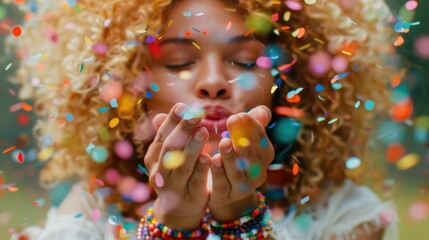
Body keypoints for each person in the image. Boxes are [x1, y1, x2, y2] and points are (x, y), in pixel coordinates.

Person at [10, 0, 400, 239]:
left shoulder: (343, 216)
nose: (214, 83)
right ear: (125, 83)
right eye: (180, 62)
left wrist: (242, 218)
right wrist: (172, 221)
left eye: (245, 61)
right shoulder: (90, 214)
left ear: (287, 82)